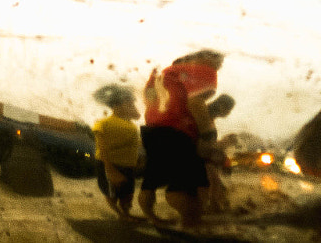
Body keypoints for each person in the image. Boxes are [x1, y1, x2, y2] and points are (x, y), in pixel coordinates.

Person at [138, 49, 223, 226]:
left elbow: (148, 99)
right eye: (218, 61)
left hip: (152, 129)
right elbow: (196, 102)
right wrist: (208, 134)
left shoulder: (163, 75)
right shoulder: (201, 70)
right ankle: (190, 221)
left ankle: (151, 217)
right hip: (178, 131)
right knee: (184, 182)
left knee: (151, 180)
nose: (219, 65)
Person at [92, 83, 143, 221]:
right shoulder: (103, 123)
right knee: (112, 193)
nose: (132, 106)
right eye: (128, 104)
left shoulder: (131, 125)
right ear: (116, 105)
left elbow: (135, 144)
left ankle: (126, 213)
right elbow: (102, 148)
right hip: (110, 165)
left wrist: (139, 160)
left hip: (128, 166)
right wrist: (110, 169)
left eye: (132, 103)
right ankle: (121, 215)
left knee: (128, 193)